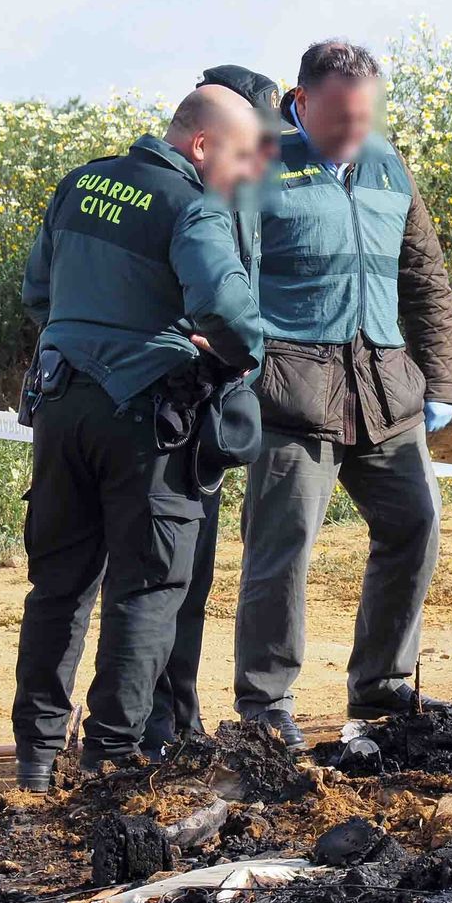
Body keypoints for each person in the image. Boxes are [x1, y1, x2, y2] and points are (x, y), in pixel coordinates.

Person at [12, 87, 266, 791]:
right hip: (147, 418)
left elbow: (39, 292)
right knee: (148, 588)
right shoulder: (193, 206)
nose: (246, 172)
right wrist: (238, 355)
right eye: (241, 155)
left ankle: (35, 760)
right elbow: (228, 311)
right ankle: (112, 756)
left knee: (57, 586)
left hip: (60, 406)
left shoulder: (79, 182)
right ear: (202, 146)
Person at [234, 40, 452, 750]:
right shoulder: (259, 165)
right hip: (291, 394)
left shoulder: (388, 165)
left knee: (416, 523)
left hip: (385, 388)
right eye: (340, 121)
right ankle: (266, 703)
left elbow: (424, 278)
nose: (354, 135)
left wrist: (443, 381)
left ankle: (381, 684)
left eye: (365, 119)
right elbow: (225, 278)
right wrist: (242, 371)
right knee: (284, 545)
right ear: (300, 102)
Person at [143, 64, 282, 760]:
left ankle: (181, 713)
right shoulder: (175, 196)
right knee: (161, 569)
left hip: (217, 394)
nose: (263, 157)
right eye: (253, 142)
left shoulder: (245, 194)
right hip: (172, 392)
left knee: (195, 570)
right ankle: (148, 725)